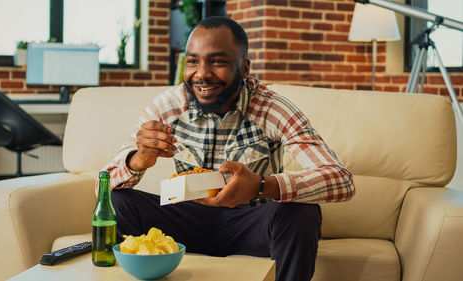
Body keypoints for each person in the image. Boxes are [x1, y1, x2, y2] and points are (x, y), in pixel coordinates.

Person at [100, 16, 355, 281]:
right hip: (187, 221)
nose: (201, 74)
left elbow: (342, 179)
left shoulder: (272, 108)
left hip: (250, 222)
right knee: (118, 201)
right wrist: (138, 160)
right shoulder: (168, 106)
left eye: (217, 61)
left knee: (302, 211)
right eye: (193, 61)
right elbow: (102, 188)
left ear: (244, 68)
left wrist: (260, 185)